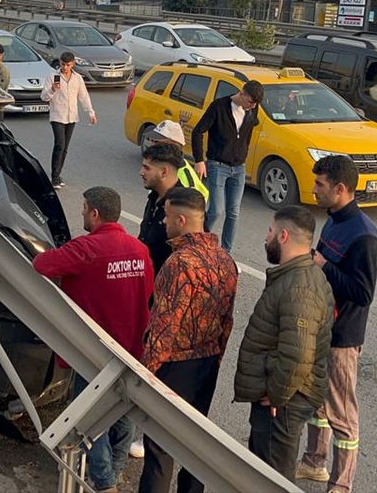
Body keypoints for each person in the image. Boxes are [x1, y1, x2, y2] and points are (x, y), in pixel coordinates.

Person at [33, 187, 153, 493]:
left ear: (95, 213)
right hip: (132, 349)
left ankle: (104, 482)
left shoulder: (86, 249)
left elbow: (42, 265)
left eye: (84, 208)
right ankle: (116, 469)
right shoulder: (139, 250)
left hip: (94, 352)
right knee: (123, 412)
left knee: (89, 417)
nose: (82, 213)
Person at [138, 187, 238, 493]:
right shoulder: (225, 261)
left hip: (173, 368)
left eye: (168, 218)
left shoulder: (178, 263)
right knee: (195, 447)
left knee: (159, 449)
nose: (164, 224)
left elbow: (164, 327)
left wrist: (146, 372)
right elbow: (227, 322)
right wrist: (215, 359)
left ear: (182, 220)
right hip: (206, 365)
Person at [298, 156, 377, 493]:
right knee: (318, 400)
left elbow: (363, 294)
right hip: (321, 327)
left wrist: (323, 265)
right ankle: (314, 462)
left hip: (343, 337)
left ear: (340, 188)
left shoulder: (365, 236)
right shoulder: (332, 220)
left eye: (320, 185)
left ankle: (341, 483)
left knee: (342, 412)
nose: (315, 190)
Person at [234, 205, 334, 482]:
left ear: (284, 236)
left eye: (270, 231)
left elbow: (299, 352)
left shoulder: (299, 287)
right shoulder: (296, 276)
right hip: (284, 397)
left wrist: (278, 394)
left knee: (272, 477)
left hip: (283, 402)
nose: (266, 237)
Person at [192, 80, 264, 252]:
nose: (252, 107)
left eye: (255, 104)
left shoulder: (253, 109)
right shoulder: (219, 107)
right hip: (217, 164)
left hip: (238, 168)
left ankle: (226, 253)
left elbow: (249, 129)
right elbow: (198, 131)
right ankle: (198, 244)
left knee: (234, 212)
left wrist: (244, 152)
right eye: (250, 102)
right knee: (216, 210)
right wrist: (199, 160)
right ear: (242, 93)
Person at [41, 50, 96, 188]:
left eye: (67, 65)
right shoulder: (52, 76)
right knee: (59, 144)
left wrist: (90, 112)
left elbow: (83, 96)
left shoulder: (77, 78)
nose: (65, 67)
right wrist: (52, 89)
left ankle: (58, 175)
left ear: (73, 64)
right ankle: (54, 177)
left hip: (71, 116)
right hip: (57, 115)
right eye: (63, 64)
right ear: (59, 63)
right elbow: (44, 97)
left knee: (65, 147)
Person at [137, 143, 186, 278]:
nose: (141, 172)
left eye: (147, 168)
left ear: (164, 172)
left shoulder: (184, 207)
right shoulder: (154, 198)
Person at [141, 120, 209, 201]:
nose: (152, 145)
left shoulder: (185, 179)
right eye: (151, 140)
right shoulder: (158, 166)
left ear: (172, 146)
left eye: (156, 142)